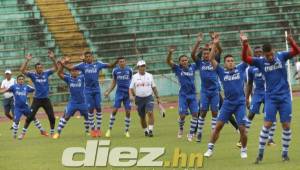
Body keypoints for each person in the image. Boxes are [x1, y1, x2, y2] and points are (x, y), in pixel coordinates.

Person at [241, 33, 300, 163]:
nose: (269, 57)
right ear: (263, 54)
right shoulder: (260, 62)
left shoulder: (281, 56)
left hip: (284, 96)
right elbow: (245, 58)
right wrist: (245, 44)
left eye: (271, 54)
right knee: (267, 124)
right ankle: (260, 155)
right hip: (271, 97)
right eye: (267, 55)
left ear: (273, 50)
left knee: (286, 125)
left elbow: (297, 51)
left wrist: (291, 41)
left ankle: (285, 154)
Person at [204, 34, 248, 159]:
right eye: (228, 61)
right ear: (224, 63)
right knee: (218, 127)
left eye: (232, 60)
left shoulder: (240, 68)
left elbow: (247, 57)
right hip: (228, 103)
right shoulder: (221, 71)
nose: (230, 62)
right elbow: (211, 58)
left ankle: (244, 149)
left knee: (242, 128)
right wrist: (215, 43)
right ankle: (210, 148)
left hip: (240, 103)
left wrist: (245, 43)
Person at [61, 51, 117, 137]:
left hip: (96, 90)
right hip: (87, 91)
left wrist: (117, 61)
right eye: (86, 57)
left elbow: (110, 65)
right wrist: (62, 64)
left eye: (89, 56)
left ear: (92, 57)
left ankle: (98, 129)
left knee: (98, 108)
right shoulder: (82, 66)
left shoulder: (98, 64)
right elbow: (71, 69)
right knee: (90, 110)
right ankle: (93, 130)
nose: (88, 58)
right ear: (85, 58)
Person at [20, 51, 57, 137]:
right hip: (37, 99)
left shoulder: (46, 73)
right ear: (36, 69)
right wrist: (27, 60)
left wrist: (53, 59)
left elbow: (56, 68)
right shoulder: (33, 74)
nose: (40, 69)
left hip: (46, 99)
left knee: (52, 117)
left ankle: (52, 133)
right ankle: (23, 133)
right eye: (38, 68)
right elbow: (22, 70)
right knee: (30, 116)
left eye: (41, 67)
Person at [244, 46, 277, 146]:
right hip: (257, 93)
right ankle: (243, 137)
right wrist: (247, 98)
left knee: (271, 115)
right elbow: (249, 84)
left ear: (263, 53)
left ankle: (270, 139)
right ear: (254, 54)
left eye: (260, 52)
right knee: (250, 115)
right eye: (256, 52)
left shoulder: (268, 64)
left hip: (269, 93)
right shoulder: (250, 68)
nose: (258, 53)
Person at [167, 46, 199, 141]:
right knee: (182, 115)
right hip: (183, 95)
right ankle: (181, 128)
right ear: (180, 62)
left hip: (193, 95)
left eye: (186, 60)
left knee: (195, 115)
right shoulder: (177, 69)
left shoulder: (192, 67)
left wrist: (194, 51)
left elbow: (198, 61)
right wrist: (170, 53)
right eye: (182, 60)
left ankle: (191, 133)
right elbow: (169, 61)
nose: (184, 62)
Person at [0, 75, 47, 139]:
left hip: (26, 108)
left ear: (23, 80)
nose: (21, 80)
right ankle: (14, 135)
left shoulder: (26, 87)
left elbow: (34, 89)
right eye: (19, 79)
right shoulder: (14, 87)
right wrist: (1, 91)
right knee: (16, 121)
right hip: (17, 108)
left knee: (34, 118)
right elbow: (5, 90)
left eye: (22, 79)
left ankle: (42, 131)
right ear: (17, 80)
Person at [52, 60, 90, 139]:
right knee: (66, 116)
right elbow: (59, 73)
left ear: (78, 71)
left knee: (86, 116)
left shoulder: (82, 77)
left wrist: (84, 61)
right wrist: (63, 64)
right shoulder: (68, 78)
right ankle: (58, 133)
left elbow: (86, 70)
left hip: (82, 102)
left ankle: (87, 132)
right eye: (72, 71)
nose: (74, 72)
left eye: (76, 70)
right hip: (73, 102)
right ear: (70, 72)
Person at [129, 60, 160, 137]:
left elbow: (154, 87)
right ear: (138, 67)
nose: (143, 67)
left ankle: (150, 130)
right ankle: (145, 130)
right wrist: (132, 95)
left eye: (144, 66)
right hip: (139, 99)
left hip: (149, 97)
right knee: (142, 117)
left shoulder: (150, 75)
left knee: (150, 112)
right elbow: (130, 88)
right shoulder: (134, 77)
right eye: (141, 66)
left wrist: (158, 97)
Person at [104, 56, 133, 138]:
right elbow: (114, 82)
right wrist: (108, 92)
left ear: (125, 62)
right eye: (120, 61)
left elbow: (132, 83)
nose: (122, 62)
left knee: (128, 112)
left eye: (123, 61)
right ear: (118, 63)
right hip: (119, 93)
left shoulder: (129, 70)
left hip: (127, 93)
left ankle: (127, 131)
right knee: (115, 110)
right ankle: (109, 129)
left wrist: (132, 94)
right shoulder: (115, 70)